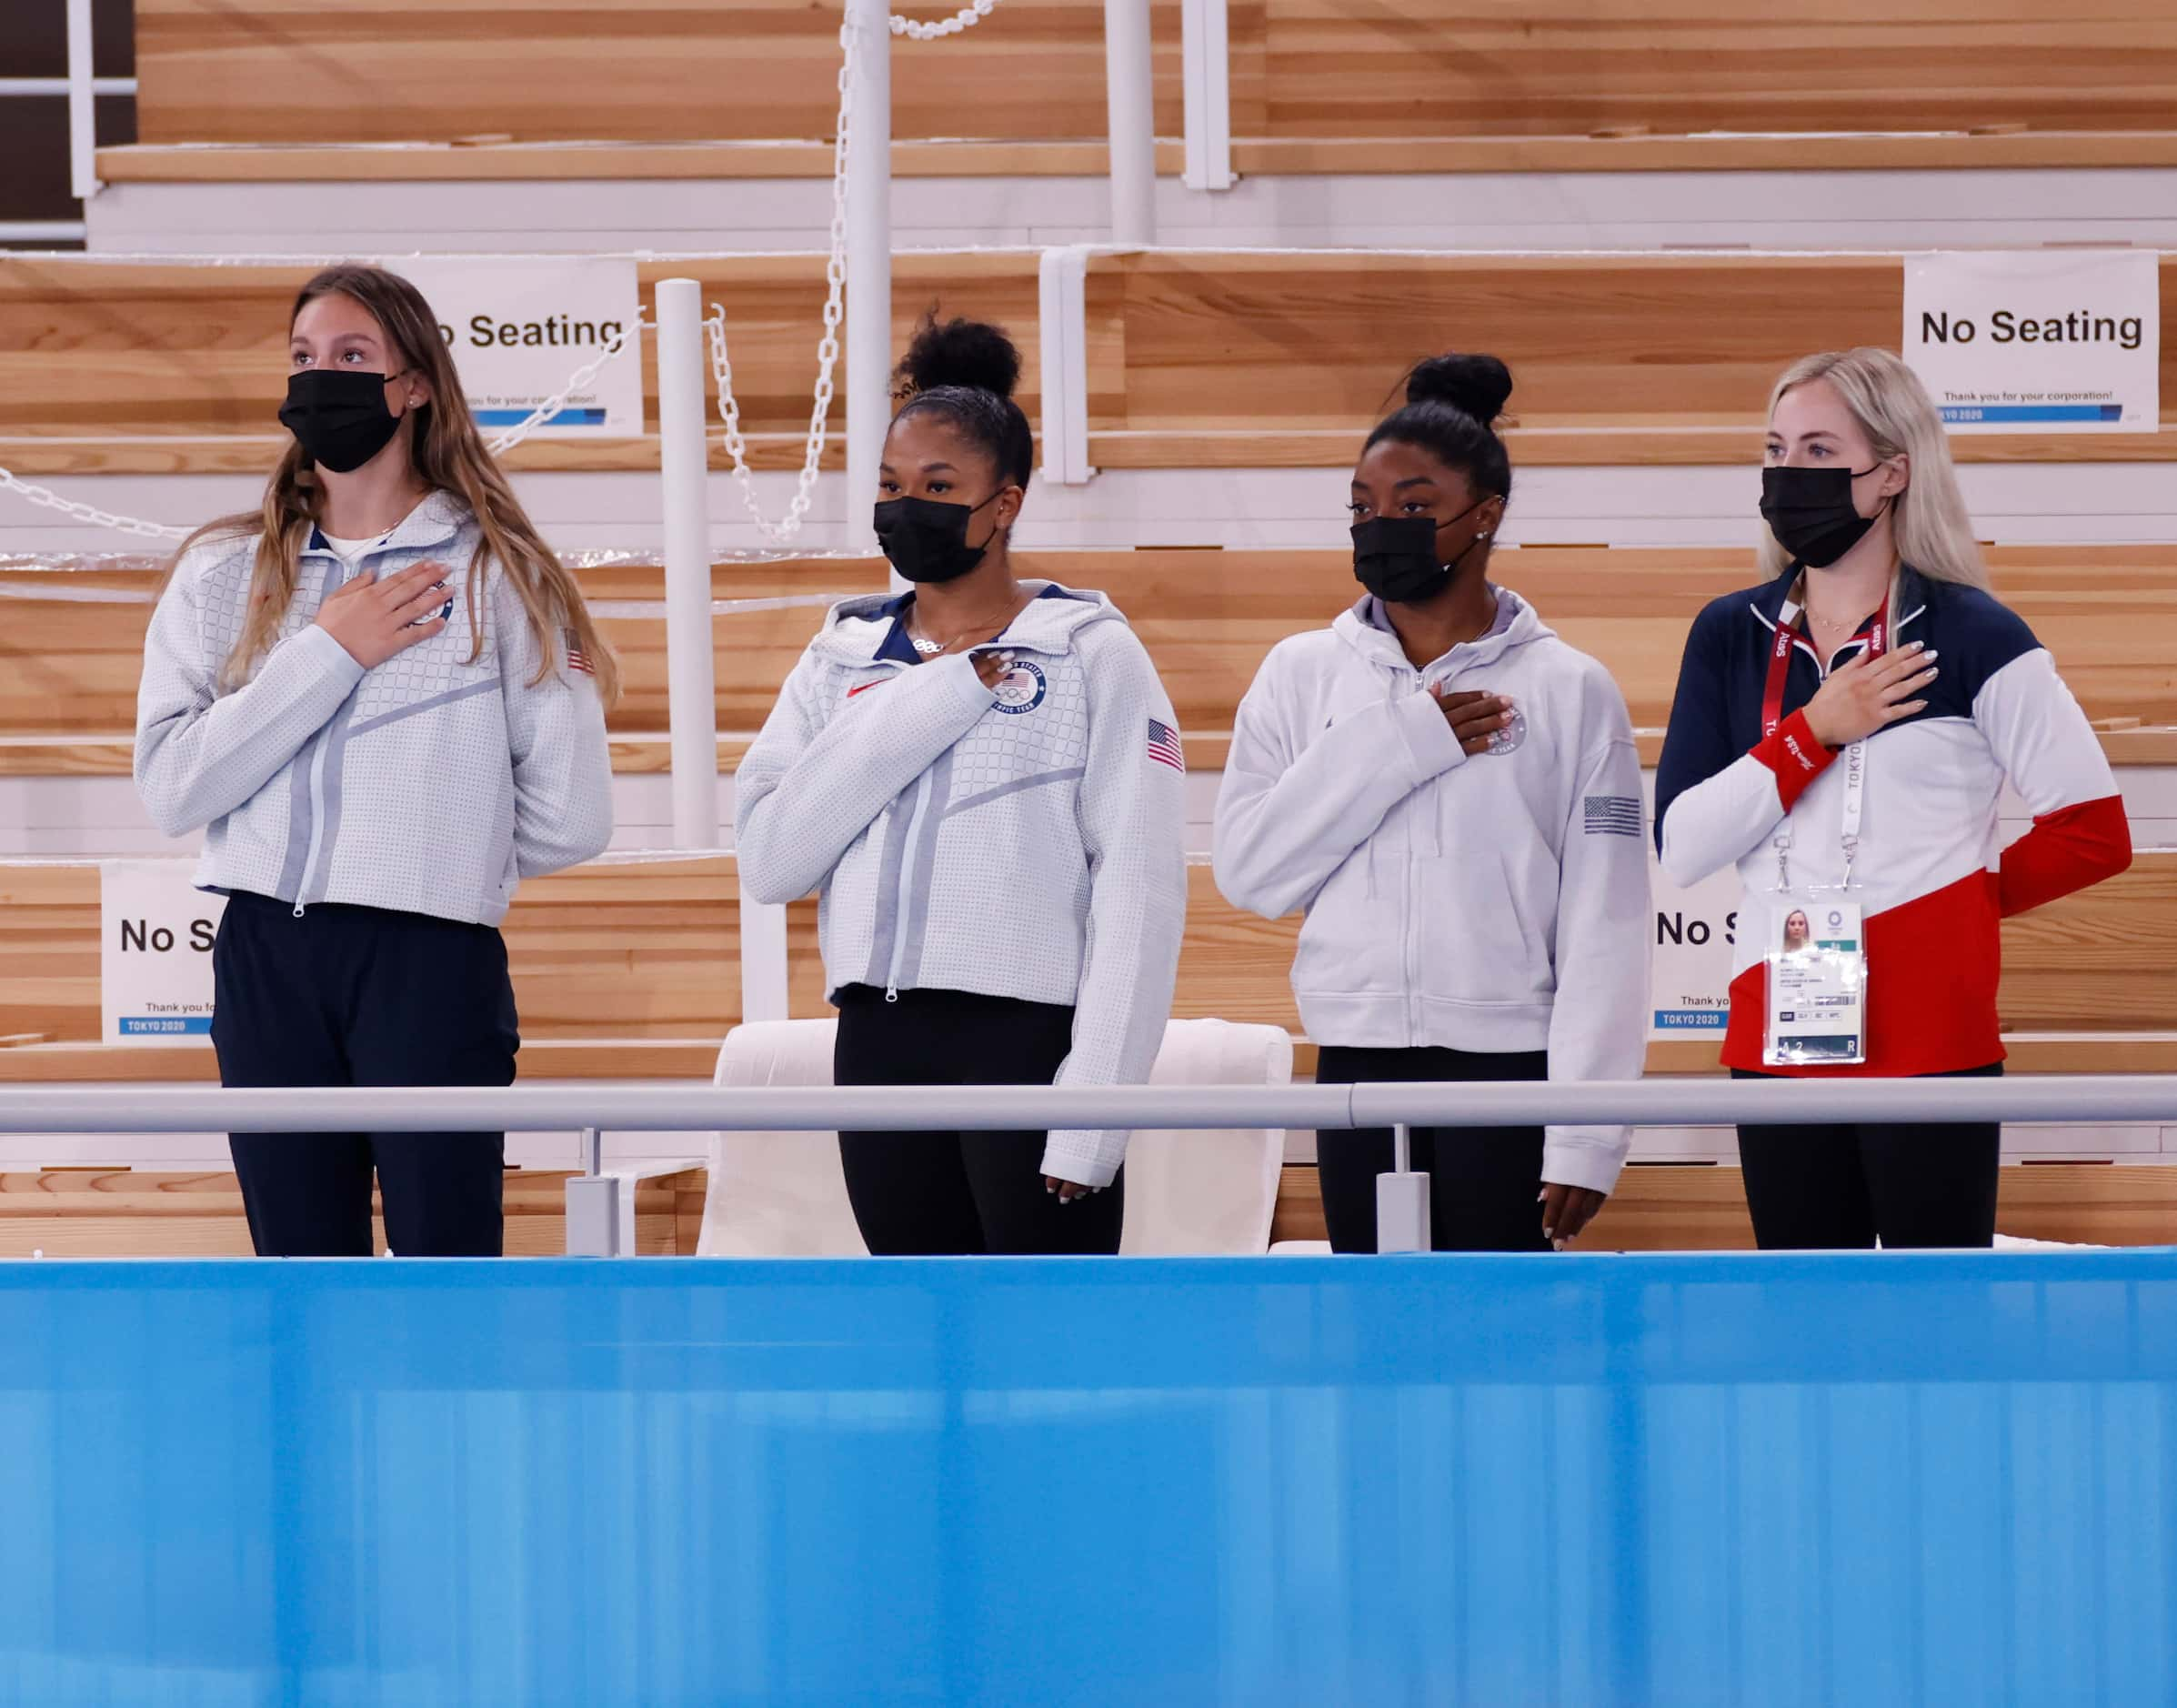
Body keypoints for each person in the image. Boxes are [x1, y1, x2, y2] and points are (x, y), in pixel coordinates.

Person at [135, 264, 617, 1257]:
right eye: (305, 357)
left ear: (416, 385)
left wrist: (434, 859)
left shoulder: (500, 575)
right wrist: (329, 652)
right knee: (298, 1276)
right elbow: (175, 785)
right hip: (266, 956)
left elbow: (572, 817)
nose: (323, 378)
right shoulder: (225, 572)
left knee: (448, 1268)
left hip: (427, 960)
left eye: (354, 357)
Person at [1655, 347, 2132, 1251]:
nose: (1790, 475)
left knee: (1937, 1333)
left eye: (1820, 453)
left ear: (1891, 475)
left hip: (1935, 1046)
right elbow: (1682, 847)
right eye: (1777, 450)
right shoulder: (1730, 632)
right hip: (1779, 1036)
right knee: (1806, 1328)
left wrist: (1956, 906)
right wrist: (1814, 731)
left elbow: (2094, 833)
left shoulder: (1973, 632)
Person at [736, 317, 1187, 1256]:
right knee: (921, 1336)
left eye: (940, 489)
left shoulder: (1090, 654)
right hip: (876, 1041)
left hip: (1023, 1043)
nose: (910, 508)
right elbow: (773, 859)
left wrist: (1095, 1111)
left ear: (1004, 503)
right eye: (893, 488)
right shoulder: (839, 657)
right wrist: (937, 695)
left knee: (1049, 1350)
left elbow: (1141, 895)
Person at [1213, 354, 1650, 1252]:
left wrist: (1588, 1133)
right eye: (1363, 508)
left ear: (1483, 516)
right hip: (1356, 1070)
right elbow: (1253, 873)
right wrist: (1402, 742)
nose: (1382, 528)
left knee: (1506, 1353)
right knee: (1379, 1345)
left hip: (1511, 1072)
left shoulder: (1571, 688)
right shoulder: (1301, 673)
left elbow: (1608, 923)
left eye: (1414, 508)